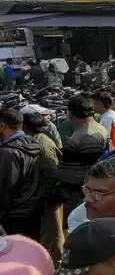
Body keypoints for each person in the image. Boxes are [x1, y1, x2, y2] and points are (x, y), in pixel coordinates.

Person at [21, 109, 65, 264]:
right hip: (46, 195)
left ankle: (56, 263)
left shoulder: (42, 143)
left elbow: (51, 173)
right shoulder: (39, 139)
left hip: (50, 197)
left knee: (53, 233)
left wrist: (47, 198)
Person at [59, 94, 109, 218]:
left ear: (71, 113)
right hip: (75, 190)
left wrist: (85, 196)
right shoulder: (89, 129)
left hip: (76, 194)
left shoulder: (88, 135)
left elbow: (90, 169)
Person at [0, 108, 44, 243]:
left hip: (14, 215)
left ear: (2, 126)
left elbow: (5, 188)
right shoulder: (35, 144)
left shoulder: (8, 152)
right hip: (33, 210)